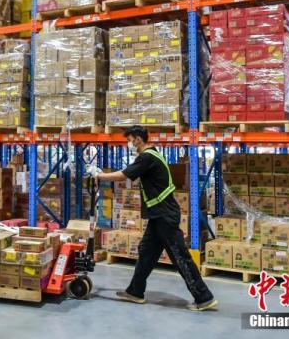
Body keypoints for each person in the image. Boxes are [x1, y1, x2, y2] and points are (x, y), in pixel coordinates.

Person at [93, 125, 217, 311]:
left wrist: (99, 176)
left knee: (179, 256)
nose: (129, 144)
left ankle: (204, 297)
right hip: (158, 215)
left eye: (129, 140)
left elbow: (124, 175)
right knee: (146, 252)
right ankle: (135, 292)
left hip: (164, 215)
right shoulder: (152, 155)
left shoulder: (147, 157)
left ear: (138, 139)